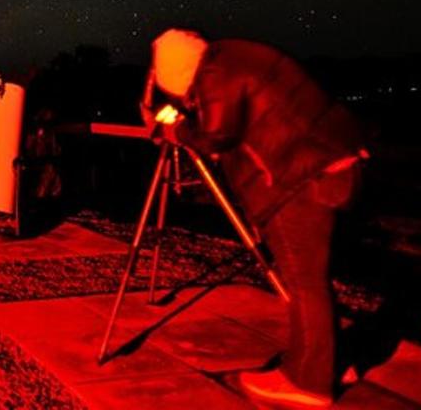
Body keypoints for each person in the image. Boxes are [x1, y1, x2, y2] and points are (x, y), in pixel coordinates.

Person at [147, 29, 368, 408]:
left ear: (176, 70)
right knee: (314, 282)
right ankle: (325, 364)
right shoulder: (233, 56)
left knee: (304, 285)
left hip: (300, 181)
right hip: (333, 164)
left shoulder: (216, 74)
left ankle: (310, 382)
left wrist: (176, 130)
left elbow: (216, 134)